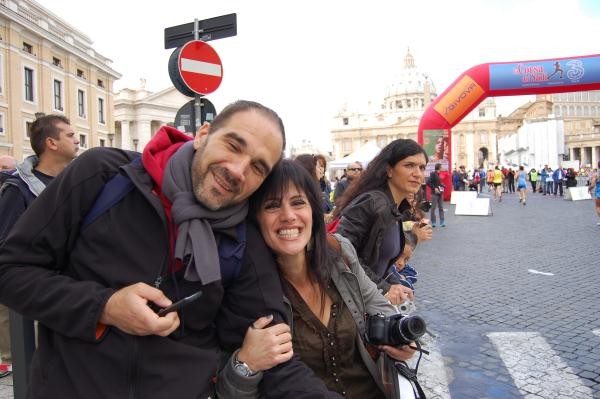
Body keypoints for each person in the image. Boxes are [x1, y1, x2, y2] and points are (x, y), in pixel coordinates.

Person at [0, 101, 339, 398]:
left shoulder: (242, 239)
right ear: (203, 134)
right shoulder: (104, 176)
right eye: (233, 146)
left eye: (257, 167)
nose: (237, 170)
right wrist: (104, 306)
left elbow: (273, 355)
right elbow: (11, 270)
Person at [236, 159, 415, 398]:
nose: (288, 216)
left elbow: (377, 303)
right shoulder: (249, 288)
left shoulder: (340, 253)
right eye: (272, 206)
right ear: (256, 218)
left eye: (298, 202)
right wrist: (243, 365)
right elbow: (231, 387)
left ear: (313, 210)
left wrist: (400, 338)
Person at [0, 115, 79, 379]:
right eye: (69, 135)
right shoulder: (17, 188)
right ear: (51, 143)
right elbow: (7, 249)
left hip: (71, 292)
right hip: (36, 298)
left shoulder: (77, 183)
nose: (77, 139)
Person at [333, 139, 428, 302]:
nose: (418, 173)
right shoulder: (373, 202)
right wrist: (384, 288)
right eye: (409, 165)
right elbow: (339, 252)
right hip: (346, 303)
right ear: (389, 170)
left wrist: (394, 282)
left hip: (364, 301)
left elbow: (379, 262)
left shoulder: (395, 207)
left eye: (422, 167)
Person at [294, 154, 334, 220]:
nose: (321, 170)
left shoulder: (318, 189)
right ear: (310, 169)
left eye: (323, 166)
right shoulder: (302, 192)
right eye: (318, 166)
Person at [427, 163, 445, 227]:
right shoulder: (433, 174)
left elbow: (437, 183)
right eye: (441, 167)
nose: (442, 168)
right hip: (434, 194)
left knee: (441, 207)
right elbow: (428, 182)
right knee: (433, 208)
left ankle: (442, 222)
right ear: (439, 167)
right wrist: (434, 188)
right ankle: (433, 222)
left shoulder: (438, 174)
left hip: (440, 193)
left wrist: (442, 185)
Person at [588, 161, 600, 226]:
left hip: (599, 192)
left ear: (598, 166)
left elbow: (592, 185)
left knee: (598, 206)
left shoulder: (596, 174)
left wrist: (589, 189)